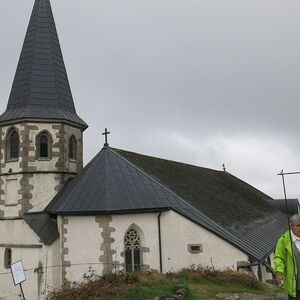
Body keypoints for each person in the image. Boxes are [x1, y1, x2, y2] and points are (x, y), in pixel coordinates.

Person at [274, 214, 300, 299]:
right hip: (294, 284)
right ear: (291, 226)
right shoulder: (283, 241)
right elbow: (279, 257)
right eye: (298, 226)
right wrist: (279, 271)